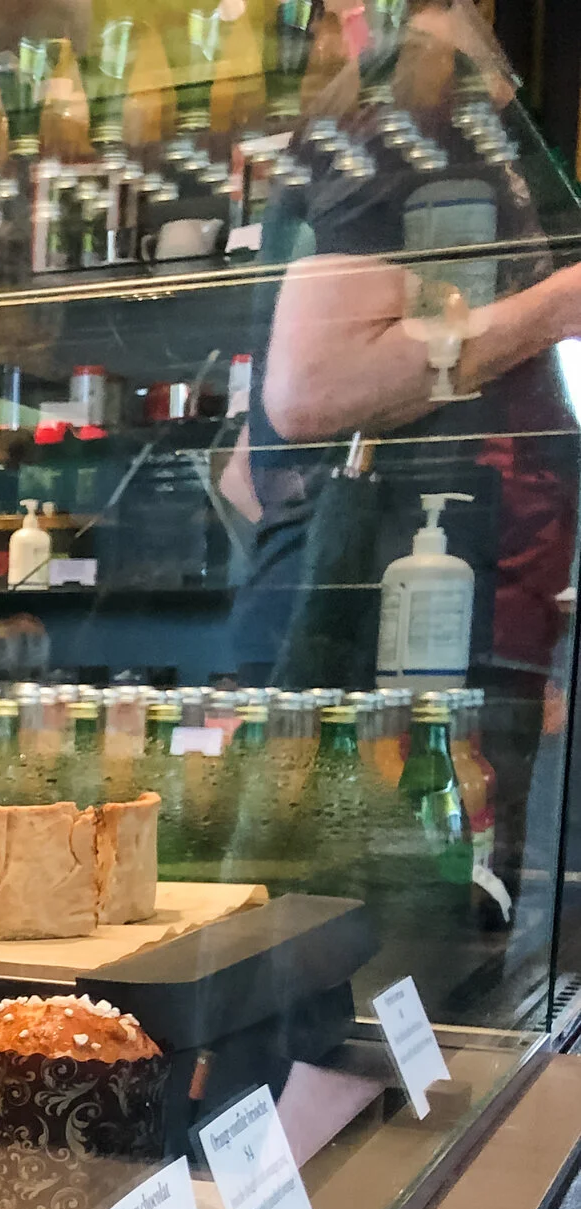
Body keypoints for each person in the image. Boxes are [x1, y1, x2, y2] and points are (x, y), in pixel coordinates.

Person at [234, 3, 577, 925]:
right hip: (392, 632)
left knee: (409, 963)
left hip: (440, 620)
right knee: (376, 960)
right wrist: (555, 306)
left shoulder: (459, 109)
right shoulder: (412, 96)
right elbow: (306, 388)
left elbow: (248, 457)